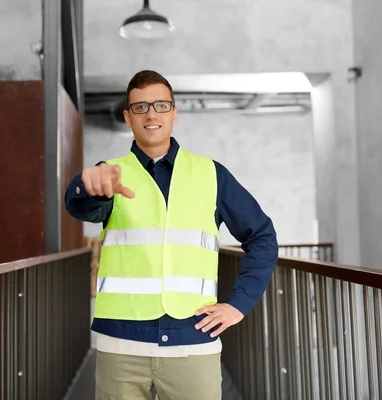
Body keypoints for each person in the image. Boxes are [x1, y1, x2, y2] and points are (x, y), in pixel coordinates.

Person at [64, 70, 278, 400]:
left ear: (174, 113)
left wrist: (239, 304)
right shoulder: (110, 173)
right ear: (127, 117)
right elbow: (82, 207)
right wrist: (87, 185)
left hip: (193, 344)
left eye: (161, 105)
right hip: (122, 346)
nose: (151, 114)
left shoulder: (211, 174)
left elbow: (261, 236)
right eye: (140, 107)